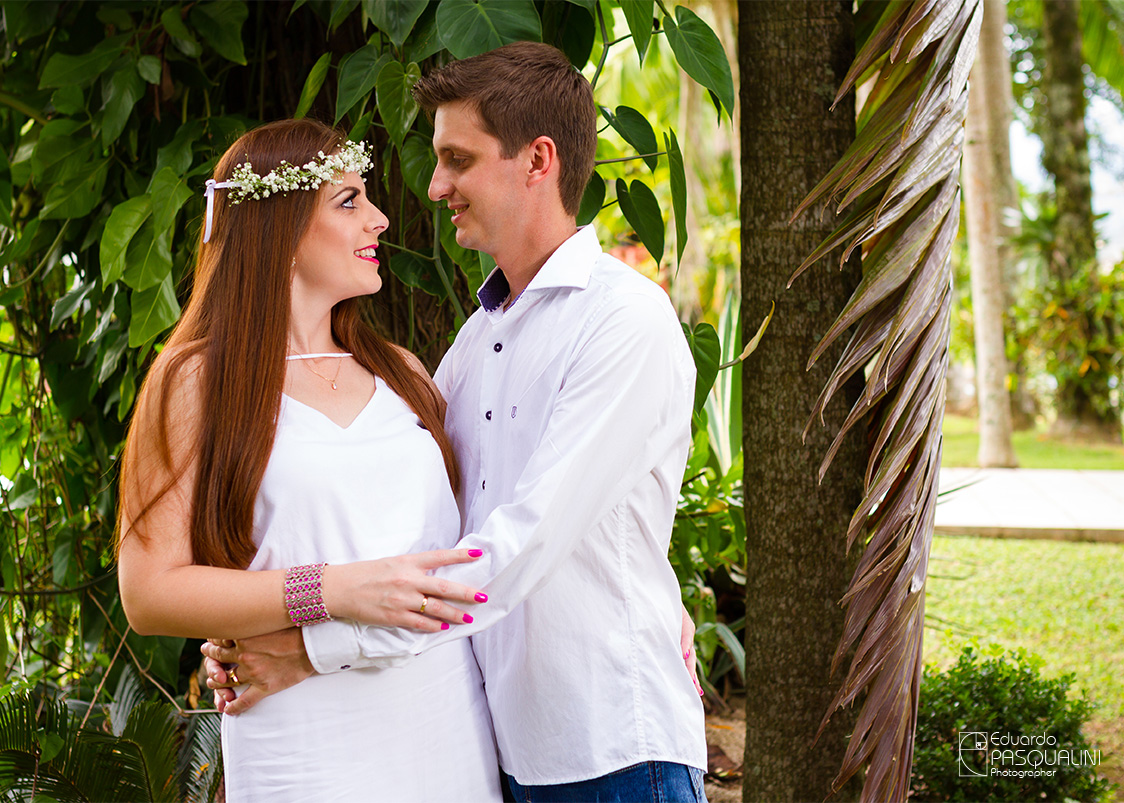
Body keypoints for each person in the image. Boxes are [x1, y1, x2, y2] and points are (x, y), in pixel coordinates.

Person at [206, 43, 708, 802]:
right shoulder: (475, 343)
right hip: (496, 744)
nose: (435, 185)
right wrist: (252, 623)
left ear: (537, 160)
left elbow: (521, 544)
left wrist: (313, 649)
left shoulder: (623, 320)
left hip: (610, 749)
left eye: (457, 159)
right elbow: (420, 521)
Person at [115, 118, 503, 801]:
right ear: (279, 226)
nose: (380, 219)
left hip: (445, 723)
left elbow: (493, 543)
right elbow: (149, 591)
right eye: (349, 201)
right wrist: (330, 589)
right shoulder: (195, 381)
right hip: (302, 744)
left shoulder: (406, 375)